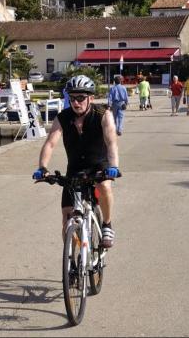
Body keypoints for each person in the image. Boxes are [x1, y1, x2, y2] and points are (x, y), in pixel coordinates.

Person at [33, 75, 121, 248]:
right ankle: (72, 263)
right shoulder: (63, 118)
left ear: (91, 98)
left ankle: (107, 224)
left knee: (104, 186)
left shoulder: (103, 114)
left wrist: (114, 167)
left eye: (81, 98)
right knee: (66, 220)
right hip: (74, 169)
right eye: (72, 98)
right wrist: (42, 167)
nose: (76, 102)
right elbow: (50, 143)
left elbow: (111, 143)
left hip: (99, 165)